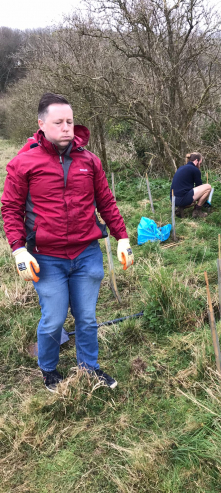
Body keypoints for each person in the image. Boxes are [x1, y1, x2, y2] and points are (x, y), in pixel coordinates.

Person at [1, 93, 134, 392]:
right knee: (54, 318)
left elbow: (107, 202)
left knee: (87, 317)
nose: (66, 128)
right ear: (41, 124)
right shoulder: (23, 163)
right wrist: (18, 249)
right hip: (46, 257)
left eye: (70, 122)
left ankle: (89, 367)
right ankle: (48, 369)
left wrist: (122, 237)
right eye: (58, 122)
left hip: (86, 252)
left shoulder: (90, 161)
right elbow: (10, 208)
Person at [170, 152, 211, 218]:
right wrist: (204, 200)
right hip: (182, 198)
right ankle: (197, 211)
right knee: (208, 187)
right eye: (200, 163)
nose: (200, 165)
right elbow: (199, 186)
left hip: (173, 199)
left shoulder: (181, 168)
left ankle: (180, 209)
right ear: (196, 161)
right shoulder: (195, 169)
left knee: (193, 202)